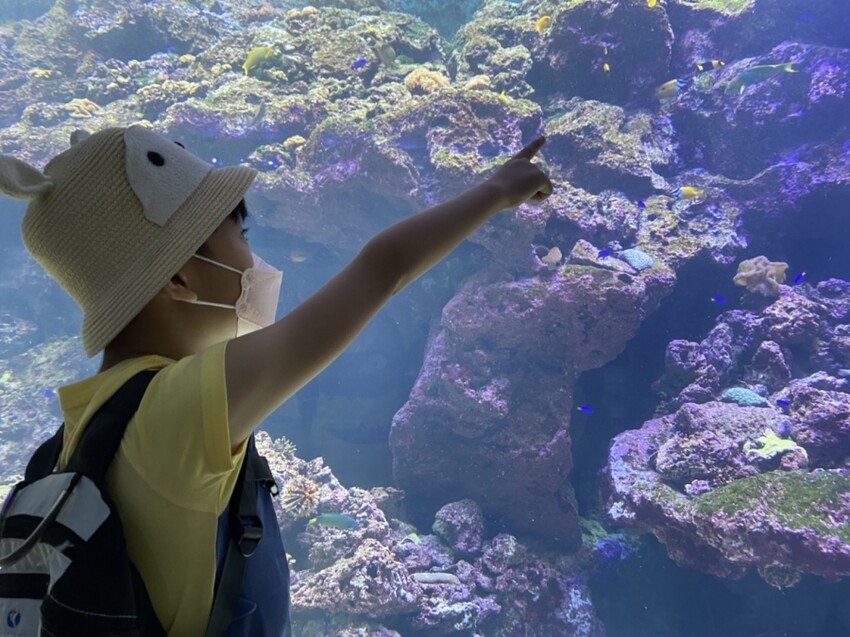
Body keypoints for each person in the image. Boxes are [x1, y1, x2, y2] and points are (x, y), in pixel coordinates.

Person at [0, 125, 552, 635]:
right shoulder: (178, 411)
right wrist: (496, 192)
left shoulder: (89, 420)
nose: (255, 259)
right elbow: (383, 268)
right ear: (178, 279)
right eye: (241, 235)